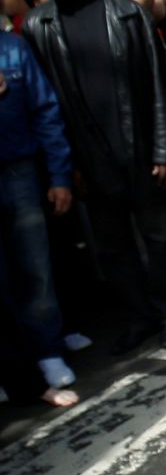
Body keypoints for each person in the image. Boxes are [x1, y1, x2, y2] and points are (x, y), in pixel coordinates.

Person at [18, 0, 166, 354]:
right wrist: (67, 166)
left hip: (144, 152)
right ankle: (139, 317)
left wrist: (165, 149)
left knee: (160, 238)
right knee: (113, 249)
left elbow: (159, 85)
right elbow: (47, 106)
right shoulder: (39, 25)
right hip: (89, 161)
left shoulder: (127, 14)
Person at [0, 25, 76, 387]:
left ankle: (48, 350)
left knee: (35, 267)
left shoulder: (13, 48)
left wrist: (59, 176)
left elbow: (46, 111)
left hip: (19, 172)